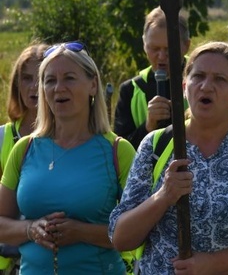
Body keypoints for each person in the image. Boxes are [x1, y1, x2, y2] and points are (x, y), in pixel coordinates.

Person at [109, 41, 228, 274]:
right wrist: (163, 196)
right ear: (184, 85)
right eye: (198, 76)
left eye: (220, 79)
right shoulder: (156, 145)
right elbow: (120, 238)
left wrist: (213, 264)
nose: (206, 86)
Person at [0, 42, 136, 274]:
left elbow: (138, 232)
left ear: (93, 85)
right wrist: (30, 229)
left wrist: (81, 232)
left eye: (69, 78)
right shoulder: (25, 148)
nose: (58, 88)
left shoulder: (117, 151)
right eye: (50, 80)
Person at [114, 7, 191, 149]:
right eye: (154, 49)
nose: (161, 56)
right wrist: (148, 126)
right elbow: (120, 152)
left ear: (186, 45)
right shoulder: (130, 89)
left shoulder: (203, 81)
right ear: (144, 45)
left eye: (169, 49)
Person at [0, 43, 47, 272]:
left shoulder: (70, 139)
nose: (34, 87)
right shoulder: (2, 137)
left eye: (41, 78)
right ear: (17, 84)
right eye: (26, 78)